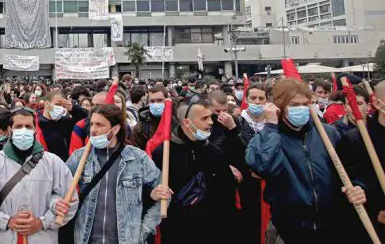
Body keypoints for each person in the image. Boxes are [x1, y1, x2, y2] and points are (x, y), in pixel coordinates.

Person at [245, 79, 366, 244]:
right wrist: (271, 127)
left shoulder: (329, 134)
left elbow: (352, 170)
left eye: (305, 104)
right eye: (294, 105)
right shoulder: (267, 138)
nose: (300, 109)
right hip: (288, 230)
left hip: (330, 227)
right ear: (279, 106)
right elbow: (263, 167)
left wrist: (359, 187)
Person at [0, 108, 77, 243]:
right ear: (10, 130)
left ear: (34, 130)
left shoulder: (53, 162)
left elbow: (70, 201)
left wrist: (42, 222)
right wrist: (7, 222)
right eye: (19, 126)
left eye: (28, 127)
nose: (24, 130)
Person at [65, 104, 165, 243]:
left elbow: (164, 195)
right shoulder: (79, 158)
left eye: (100, 125)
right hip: (85, 238)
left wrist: (144, 230)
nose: (93, 130)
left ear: (116, 128)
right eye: (92, 124)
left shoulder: (138, 158)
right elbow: (58, 191)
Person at [152, 97, 237, 244]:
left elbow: (227, 194)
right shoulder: (163, 153)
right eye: (204, 118)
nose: (211, 122)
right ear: (186, 122)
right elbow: (149, 193)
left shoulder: (214, 152)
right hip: (177, 232)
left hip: (213, 232)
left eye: (210, 116)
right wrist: (154, 193)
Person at [338, 80, 385, 242]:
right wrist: (372, 207)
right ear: (378, 104)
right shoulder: (356, 139)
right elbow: (350, 182)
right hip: (373, 228)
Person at [236, 83, 269, 244]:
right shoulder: (237, 121)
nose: (257, 102)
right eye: (253, 98)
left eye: (261, 98)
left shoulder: (273, 122)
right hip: (245, 182)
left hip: (268, 181)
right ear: (247, 99)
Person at [38, 91, 78, 162]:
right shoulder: (36, 123)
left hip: (63, 165)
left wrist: (73, 109)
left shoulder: (66, 122)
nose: (61, 108)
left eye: (63, 106)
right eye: (58, 104)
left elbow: (85, 120)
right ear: (46, 104)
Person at [130, 85, 169, 150]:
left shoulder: (176, 124)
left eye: (160, 100)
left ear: (167, 101)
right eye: (152, 101)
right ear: (148, 102)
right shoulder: (140, 128)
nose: (156, 104)